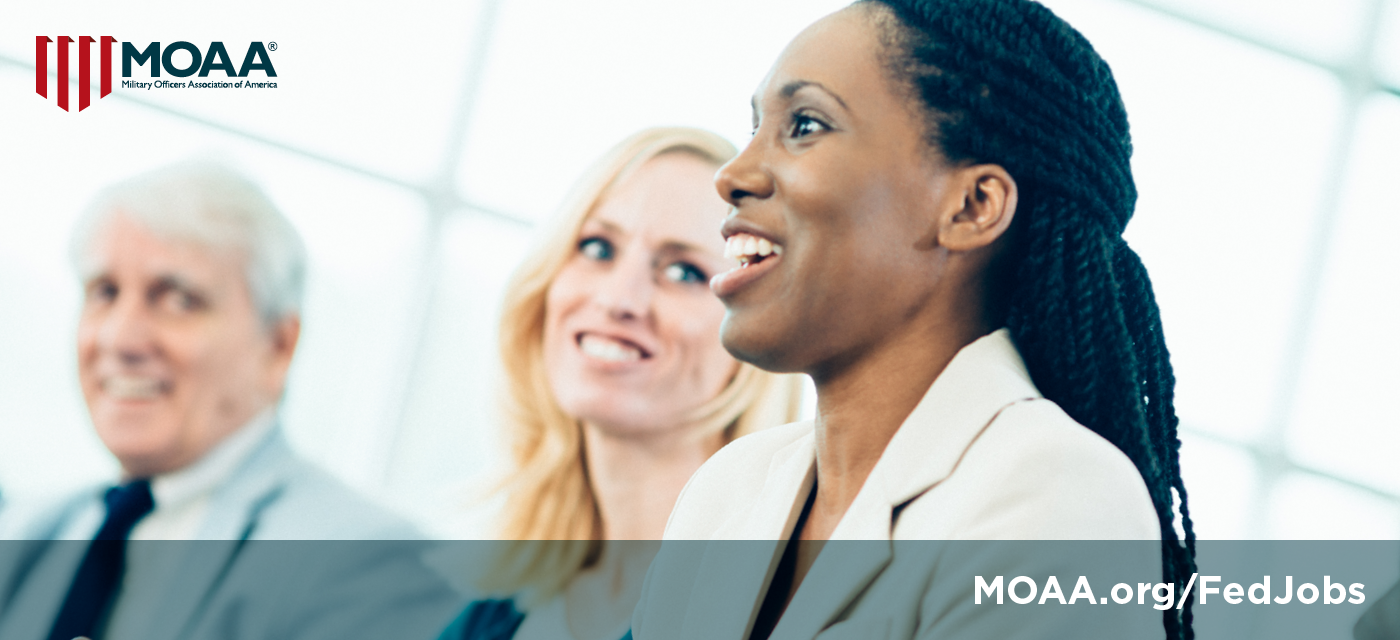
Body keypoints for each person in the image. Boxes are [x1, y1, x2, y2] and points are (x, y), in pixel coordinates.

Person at [631, 1, 1196, 639]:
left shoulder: (1058, 496)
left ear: (972, 206)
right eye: (756, 127)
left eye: (805, 125)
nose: (732, 175)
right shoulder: (728, 490)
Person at [0, 163, 464, 640]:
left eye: (178, 300)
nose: (120, 338)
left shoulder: (368, 562)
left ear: (278, 347)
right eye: (105, 292)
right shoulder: (32, 529)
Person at [437, 128, 803, 640]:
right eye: (597, 247)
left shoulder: (775, 608)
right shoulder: (498, 611)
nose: (619, 299)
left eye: (683, 272)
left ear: (752, 338)